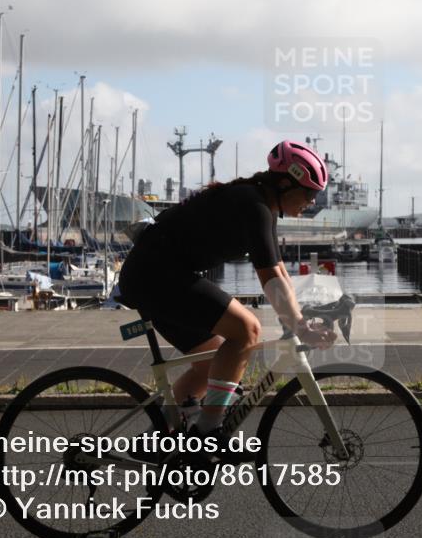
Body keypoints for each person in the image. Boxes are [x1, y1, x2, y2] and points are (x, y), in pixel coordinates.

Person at [117, 140, 336, 447]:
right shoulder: (254, 205)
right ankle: (208, 431)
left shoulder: (263, 206)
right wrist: (299, 325)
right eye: (310, 193)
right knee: (247, 329)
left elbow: (280, 270)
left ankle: (156, 441)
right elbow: (270, 277)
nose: (312, 201)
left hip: (157, 275)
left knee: (211, 366)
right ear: (285, 184)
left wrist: (300, 319)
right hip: (155, 276)